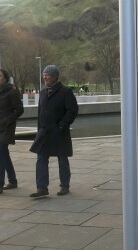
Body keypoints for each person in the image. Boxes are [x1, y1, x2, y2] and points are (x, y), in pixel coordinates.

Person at [29, 65, 78, 197]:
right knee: (41, 159)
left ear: (55, 76)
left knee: (62, 159)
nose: (45, 77)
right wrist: (39, 130)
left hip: (59, 132)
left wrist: (62, 125)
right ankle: (42, 188)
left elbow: (72, 110)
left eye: (47, 75)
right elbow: (40, 112)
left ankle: (65, 185)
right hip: (44, 132)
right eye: (43, 74)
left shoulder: (65, 91)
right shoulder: (43, 92)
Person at [0, 68, 24, 194]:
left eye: (0, 76)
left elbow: (19, 109)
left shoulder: (12, 91)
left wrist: (9, 120)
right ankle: (13, 181)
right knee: (4, 155)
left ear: (5, 77)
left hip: (6, 128)